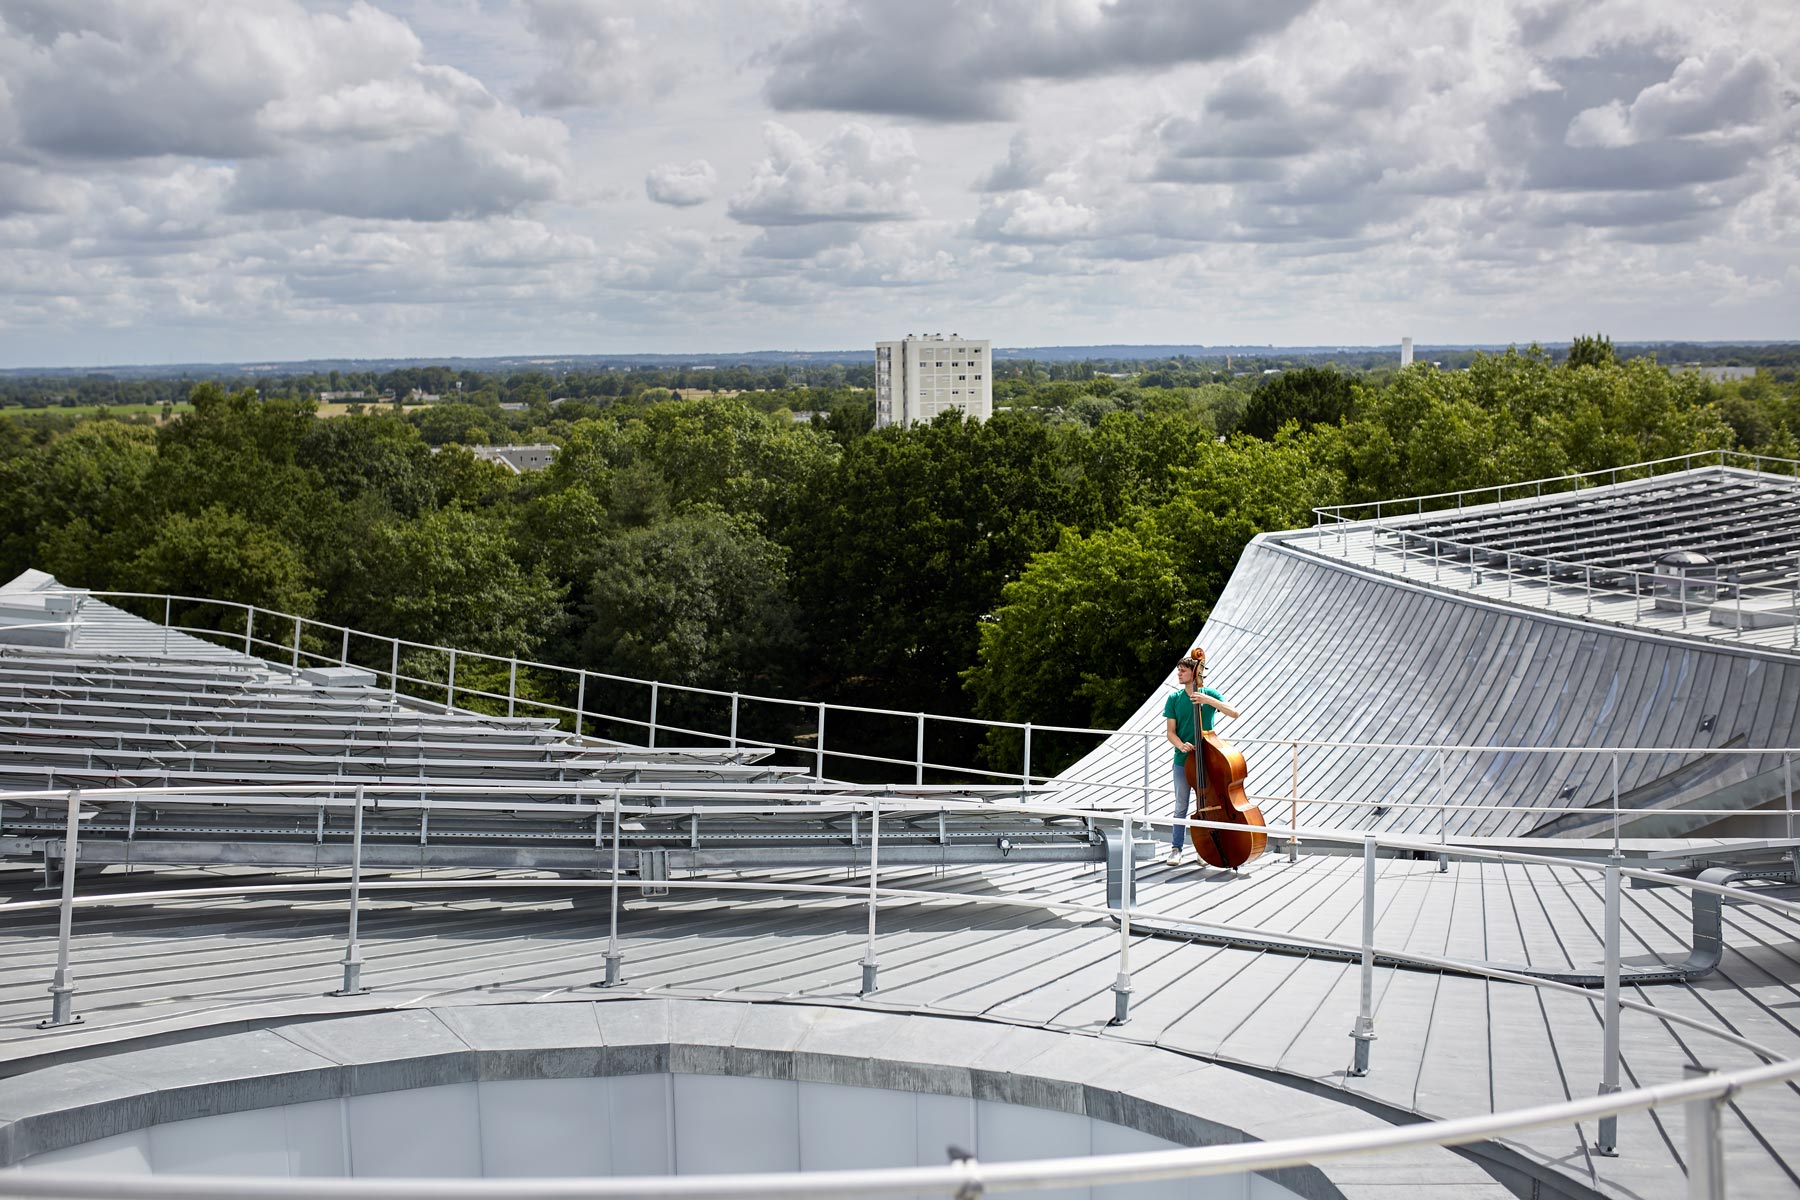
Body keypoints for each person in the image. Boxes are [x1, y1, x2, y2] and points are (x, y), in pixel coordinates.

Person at [1163, 649, 1240, 866]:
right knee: (1181, 805)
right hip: (1183, 761)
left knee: (1208, 803)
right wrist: (1181, 745)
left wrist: (1207, 699)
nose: (1178, 673)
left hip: (1209, 760)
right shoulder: (1174, 698)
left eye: (1183, 670)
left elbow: (1234, 712)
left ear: (1195, 673)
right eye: (1178, 669)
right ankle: (1176, 849)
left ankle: (1205, 849)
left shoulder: (1210, 694)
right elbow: (1171, 732)